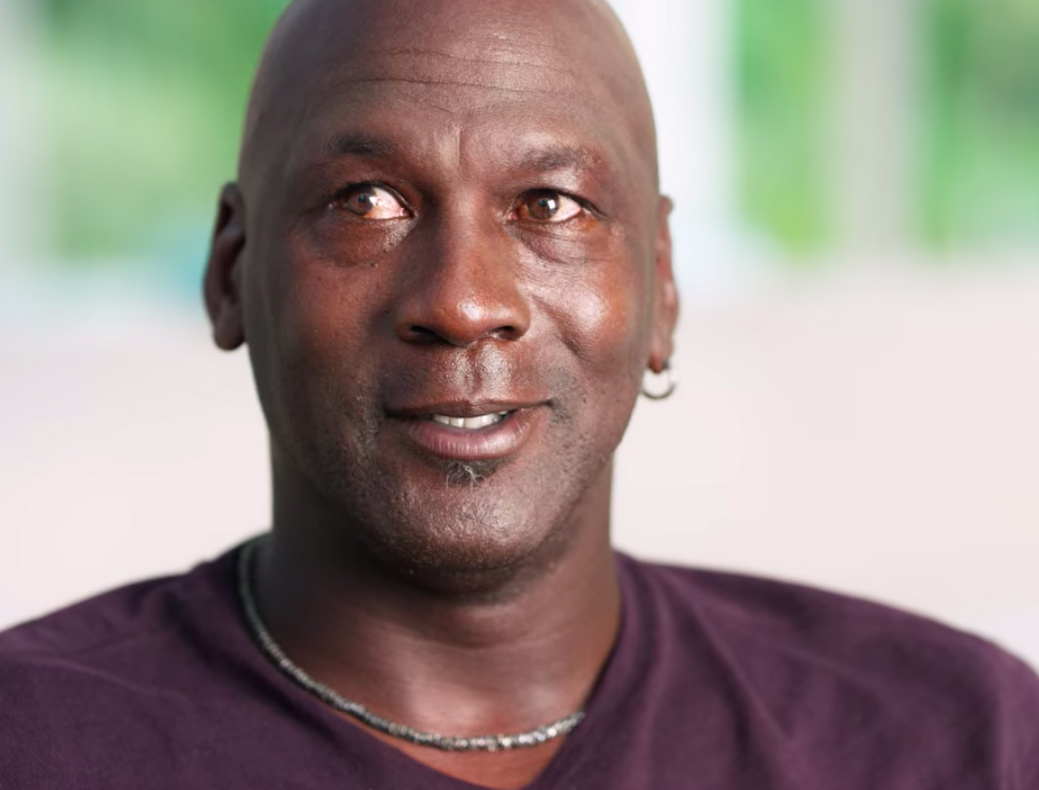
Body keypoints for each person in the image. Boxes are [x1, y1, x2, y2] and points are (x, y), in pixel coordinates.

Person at [2, 0, 1038, 787]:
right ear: (230, 272)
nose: (463, 302)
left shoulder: (960, 735)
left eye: (551, 204)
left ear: (662, 285)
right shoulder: (34, 740)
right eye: (366, 201)